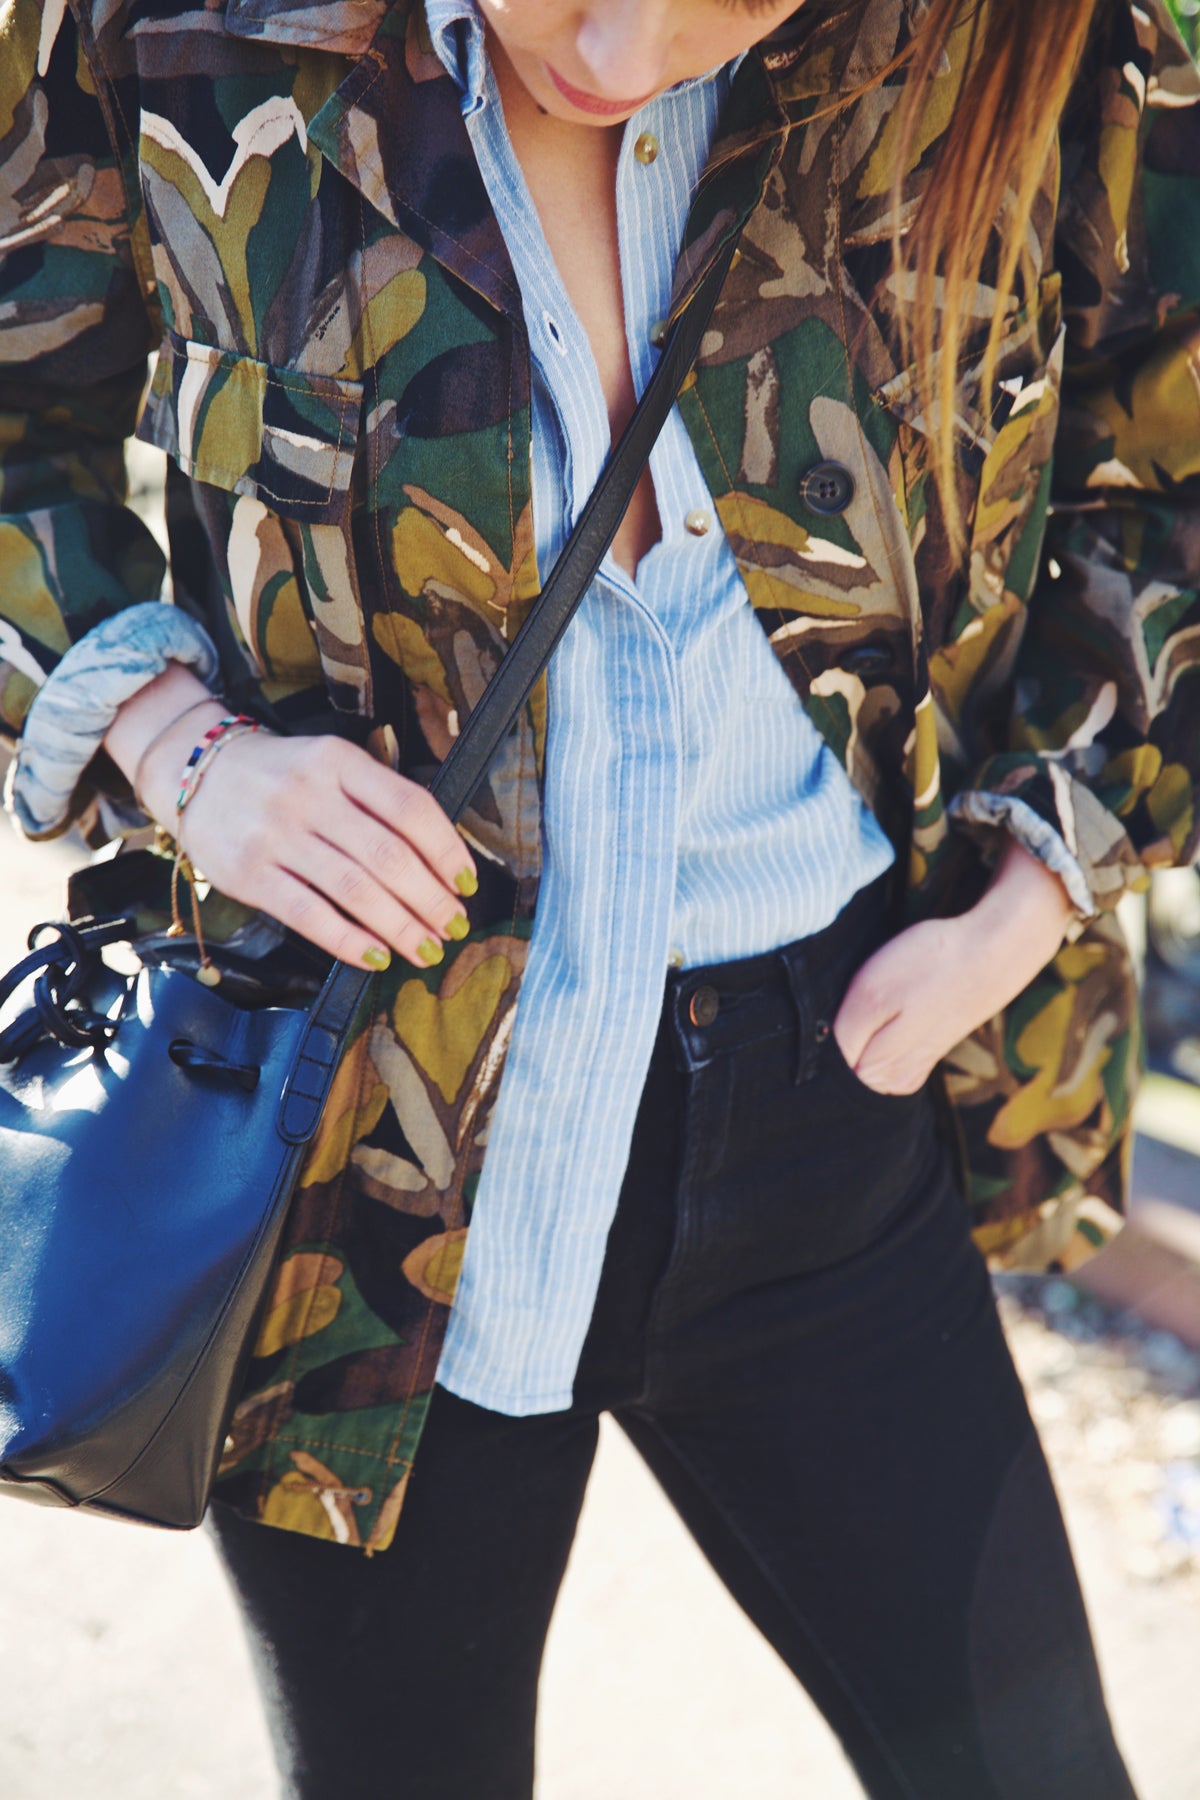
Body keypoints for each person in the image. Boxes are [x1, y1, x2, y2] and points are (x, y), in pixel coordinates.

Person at [3, 0, 1199, 1792]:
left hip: (840, 1092)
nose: (626, 59)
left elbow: (1168, 446)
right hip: (367, 1163)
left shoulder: (1017, 42)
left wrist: (1041, 882)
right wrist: (181, 750)